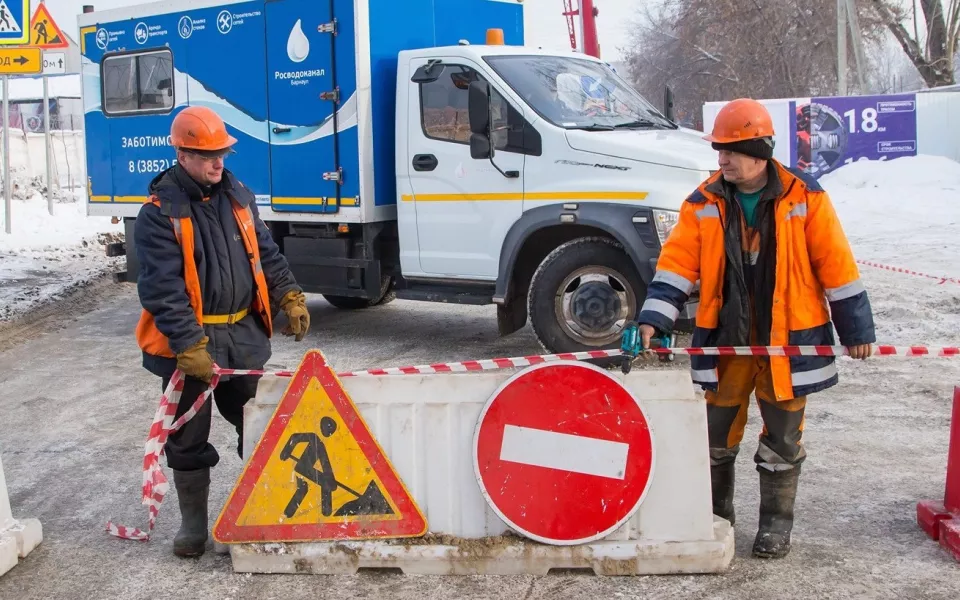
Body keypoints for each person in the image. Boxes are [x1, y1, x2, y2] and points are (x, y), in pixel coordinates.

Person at [633, 98, 876, 559]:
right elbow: (677, 266)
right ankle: (716, 520)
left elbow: (836, 264)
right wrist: (654, 317)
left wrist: (857, 329)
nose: (721, 159)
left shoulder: (805, 196)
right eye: (719, 151)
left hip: (787, 344)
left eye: (731, 150)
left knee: (782, 438)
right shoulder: (703, 201)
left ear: (759, 150)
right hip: (726, 345)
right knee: (715, 436)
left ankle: (775, 526)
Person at [134, 106, 311, 558]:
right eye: (208, 155)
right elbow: (162, 287)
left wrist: (288, 295)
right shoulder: (159, 213)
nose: (219, 163)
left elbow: (266, 255)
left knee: (258, 422)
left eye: (223, 153)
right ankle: (194, 528)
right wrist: (188, 344)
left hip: (241, 337)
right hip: (192, 344)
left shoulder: (238, 197)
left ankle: (267, 504)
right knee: (188, 438)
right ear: (182, 153)